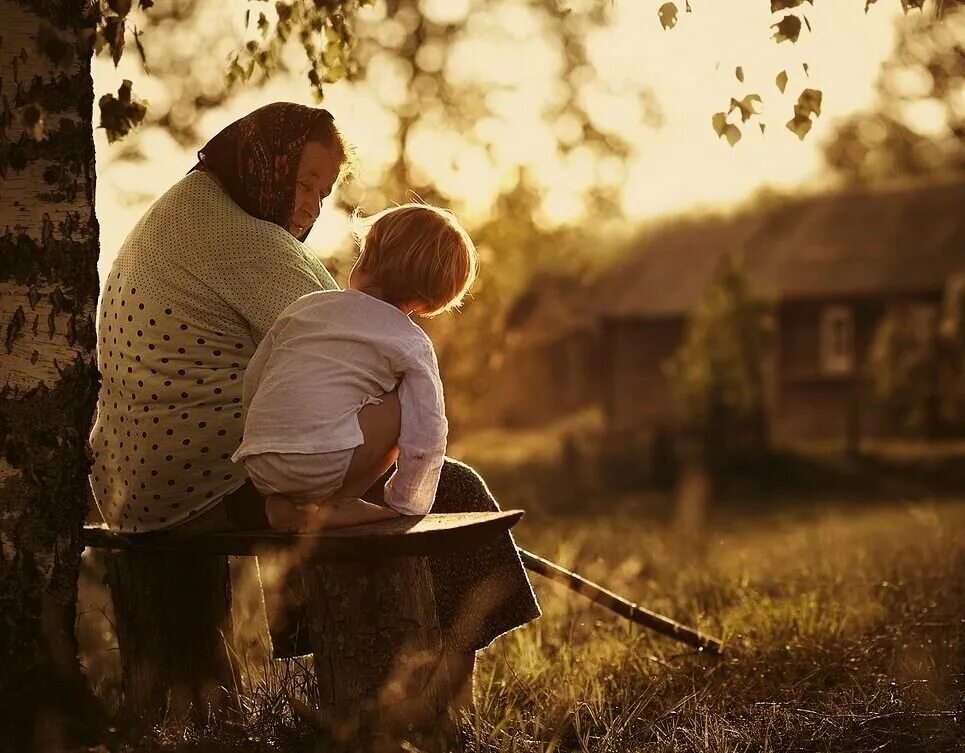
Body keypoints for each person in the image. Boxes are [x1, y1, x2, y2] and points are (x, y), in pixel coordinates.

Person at [89, 102, 539, 706]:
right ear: (265, 162)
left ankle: (386, 676)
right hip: (207, 484)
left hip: (133, 484)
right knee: (449, 489)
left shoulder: (184, 211)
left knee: (348, 463)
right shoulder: (248, 242)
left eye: (323, 194)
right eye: (304, 183)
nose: (309, 207)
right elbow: (362, 348)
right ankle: (428, 700)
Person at [233, 203, 478, 533]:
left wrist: (262, 436)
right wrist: (408, 502)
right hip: (323, 464)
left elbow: (255, 378)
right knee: (405, 405)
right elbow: (428, 428)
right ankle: (341, 501)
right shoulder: (410, 341)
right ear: (429, 303)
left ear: (364, 261)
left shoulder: (305, 308)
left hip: (260, 461)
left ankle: (281, 504)